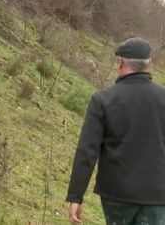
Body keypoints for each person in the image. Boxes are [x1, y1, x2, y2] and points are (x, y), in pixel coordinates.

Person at [66, 37, 165, 224]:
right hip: (158, 195)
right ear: (149, 63)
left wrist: (76, 196)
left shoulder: (103, 100)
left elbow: (87, 151)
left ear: (119, 62)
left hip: (117, 195)